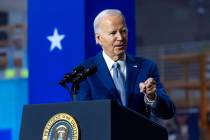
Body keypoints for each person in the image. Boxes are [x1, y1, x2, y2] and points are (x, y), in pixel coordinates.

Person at [76, 9, 175, 119]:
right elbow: (83, 116)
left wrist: (152, 97)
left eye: (123, 31)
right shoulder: (84, 72)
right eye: (113, 33)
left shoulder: (146, 67)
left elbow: (168, 112)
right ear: (98, 38)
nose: (120, 38)